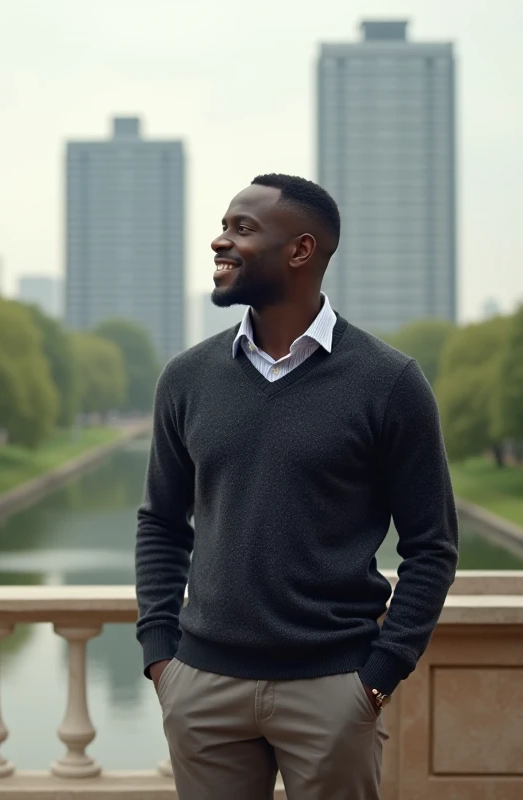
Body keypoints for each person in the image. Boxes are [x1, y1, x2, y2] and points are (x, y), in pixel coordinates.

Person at [135, 173, 459, 799]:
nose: (219, 242)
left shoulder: (390, 383)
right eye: (223, 225)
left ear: (301, 250)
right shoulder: (185, 378)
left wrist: (377, 677)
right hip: (201, 687)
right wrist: (161, 657)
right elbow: (161, 524)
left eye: (242, 228)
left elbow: (433, 546)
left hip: (333, 689)